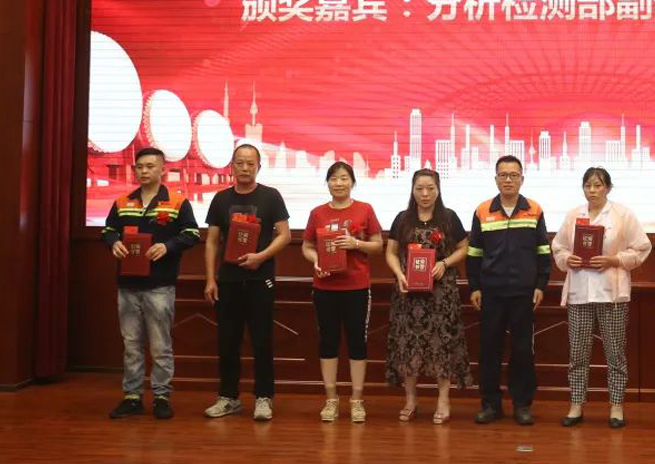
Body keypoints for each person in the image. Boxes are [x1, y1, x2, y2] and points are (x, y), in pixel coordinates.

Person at [102, 147, 200, 419]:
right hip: (127, 285)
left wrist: (168, 247)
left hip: (160, 285)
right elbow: (108, 230)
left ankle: (161, 396)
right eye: (140, 167)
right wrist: (113, 242)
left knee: (160, 346)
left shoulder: (177, 202)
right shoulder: (123, 202)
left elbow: (192, 233)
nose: (144, 171)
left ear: (162, 169)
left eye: (150, 166)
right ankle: (132, 397)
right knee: (131, 345)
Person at [552, 167, 651, 428]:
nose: (593, 190)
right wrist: (567, 259)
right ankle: (576, 405)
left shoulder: (622, 214)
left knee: (615, 353)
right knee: (578, 353)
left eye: (598, 185)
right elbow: (558, 247)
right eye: (588, 185)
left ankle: (616, 406)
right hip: (579, 293)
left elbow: (642, 247)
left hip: (612, 294)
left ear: (608, 187)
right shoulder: (574, 215)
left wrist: (614, 260)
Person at [202, 143, 291, 421]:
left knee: (262, 341)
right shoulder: (221, 199)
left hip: (260, 279)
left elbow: (285, 235)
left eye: (250, 163)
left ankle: (264, 397)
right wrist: (210, 279)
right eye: (240, 163)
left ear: (259, 167)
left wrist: (260, 257)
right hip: (228, 280)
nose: (245, 168)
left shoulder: (271, 197)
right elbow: (212, 241)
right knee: (227, 341)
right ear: (232, 167)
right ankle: (228, 397)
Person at [467, 155, 551, 426]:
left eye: (513, 175)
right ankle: (490, 405)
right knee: (489, 350)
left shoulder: (534, 210)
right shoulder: (482, 211)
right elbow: (474, 253)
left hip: (524, 294)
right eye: (503, 175)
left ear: (522, 179)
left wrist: (541, 285)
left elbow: (543, 251)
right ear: (496, 179)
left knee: (523, 351)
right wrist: (474, 286)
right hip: (491, 293)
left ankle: (522, 404)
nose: (508, 180)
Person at [385, 169, 471, 424]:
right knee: (408, 345)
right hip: (407, 293)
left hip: (441, 295)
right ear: (412, 190)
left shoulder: (449, 218)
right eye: (420, 188)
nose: (425, 194)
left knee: (442, 345)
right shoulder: (402, 219)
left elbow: (464, 247)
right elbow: (390, 252)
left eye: (430, 188)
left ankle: (443, 399)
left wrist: (445, 263)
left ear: (438, 189)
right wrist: (399, 274)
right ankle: (411, 400)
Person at [302, 161, 383, 423]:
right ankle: (331, 399)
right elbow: (307, 246)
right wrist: (316, 260)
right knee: (328, 341)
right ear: (327, 183)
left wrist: (355, 243)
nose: (339, 183)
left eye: (344, 178)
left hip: (356, 287)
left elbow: (378, 245)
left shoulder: (365, 209)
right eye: (334, 178)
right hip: (325, 287)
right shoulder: (317, 213)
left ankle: (357, 400)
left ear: (352, 182)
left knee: (357, 342)